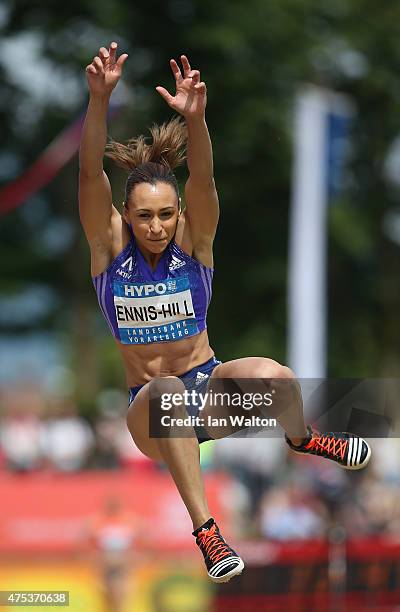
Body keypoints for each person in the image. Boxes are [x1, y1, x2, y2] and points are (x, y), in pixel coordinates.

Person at [79, 42, 371, 584]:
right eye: (144, 216)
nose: (156, 227)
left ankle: (302, 437)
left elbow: (205, 183)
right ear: (126, 215)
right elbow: (90, 178)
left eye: (166, 214)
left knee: (273, 375)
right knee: (165, 393)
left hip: (209, 393)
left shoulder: (194, 245)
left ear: (179, 214)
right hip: (152, 413)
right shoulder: (109, 250)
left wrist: (197, 121)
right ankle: (208, 533)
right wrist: (99, 101)